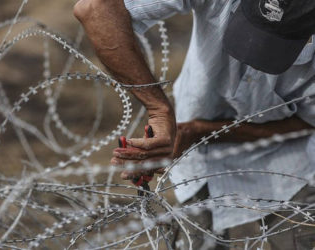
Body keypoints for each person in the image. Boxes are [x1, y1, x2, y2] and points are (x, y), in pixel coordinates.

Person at [73, 0, 315, 249]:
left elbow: (308, 122)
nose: (254, 52)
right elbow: (95, 10)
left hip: (289, 167)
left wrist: (199, 132)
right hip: (197, 166)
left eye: (275, 45)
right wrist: (159, 109)